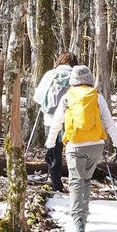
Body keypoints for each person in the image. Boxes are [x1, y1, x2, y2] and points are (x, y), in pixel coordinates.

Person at [45, 65, 117, 232]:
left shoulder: (67, 97)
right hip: (96, 145)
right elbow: (109, 122)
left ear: (72, 80)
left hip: (75, 145)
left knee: (75, 181)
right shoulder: (97, 97)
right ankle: (83, 214)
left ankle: (78, 219)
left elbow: (56, 123)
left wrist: (50, 145)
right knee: (86, 179)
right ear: (90, 79)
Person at [32, 52, 78, 192]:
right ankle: (76, 185)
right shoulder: (76, 76)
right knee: (74, 153)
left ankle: (56, 183)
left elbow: (38, 97)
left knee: (54, 151)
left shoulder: (51, 74)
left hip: (51, 120)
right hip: (72, 121)